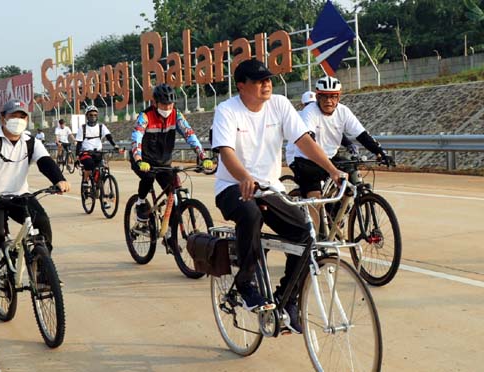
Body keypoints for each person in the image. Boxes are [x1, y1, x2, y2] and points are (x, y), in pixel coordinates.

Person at [211, 59, 347, 334]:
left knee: (305, 234)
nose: (266, 84)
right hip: (232, 187)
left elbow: (304, 141)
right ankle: (246, 283)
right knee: (250, 214)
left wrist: (333, 170)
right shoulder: (227, 110)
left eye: (268, 79)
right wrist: (244, 177)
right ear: (241, 86)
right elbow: (226, 151)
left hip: (271, 188)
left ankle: (288, 300)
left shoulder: (280, 104)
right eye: (259, 80)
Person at [0, 99, 69, 303]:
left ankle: (42, 272)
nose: (18, 120)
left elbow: (45, 162)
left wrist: (59, 179)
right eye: (13, 116)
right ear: (3, 118)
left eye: (22, 116)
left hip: (20, 195)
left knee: (42, 223)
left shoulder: (30, 141)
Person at [291, 76, 395, 200]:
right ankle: (316, 216)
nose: (328, 101)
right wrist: (330, 168)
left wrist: (380, 152)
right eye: (324, 96)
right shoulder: (309, 111)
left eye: (333, 96)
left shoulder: (343, 111)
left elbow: (362, 135)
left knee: (352, 183)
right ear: (318, 97)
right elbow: (310, 142)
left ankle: (339, 212)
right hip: (308, 160)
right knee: (316, 199)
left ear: (338, 98)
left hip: (331, 156)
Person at [130, 83, 214, 223]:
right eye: (164, 104)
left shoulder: (176, 115)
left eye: (170, 104)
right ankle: (140, 202)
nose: (168, 108)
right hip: (143, 160)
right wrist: (138, 159)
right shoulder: (145, 116)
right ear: (155, 103)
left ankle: (169, 230)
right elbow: (136, 137)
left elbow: (190, 135)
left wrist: (203, 156)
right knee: (148, 177)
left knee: (175, 193)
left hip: (163, 162)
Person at [76, 105, 119, 195]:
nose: (93, 117)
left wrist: (115, 145)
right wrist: (77, 156)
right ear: (87, 116)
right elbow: (79, 143)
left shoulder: (101, 127)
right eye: (91, 115)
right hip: (86, 153)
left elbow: (108, 136)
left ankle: (101, 195)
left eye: (95, 115)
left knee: (102, 170)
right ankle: (85, 181)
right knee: (89, 163)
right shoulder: (83, 128)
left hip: (98, 152)